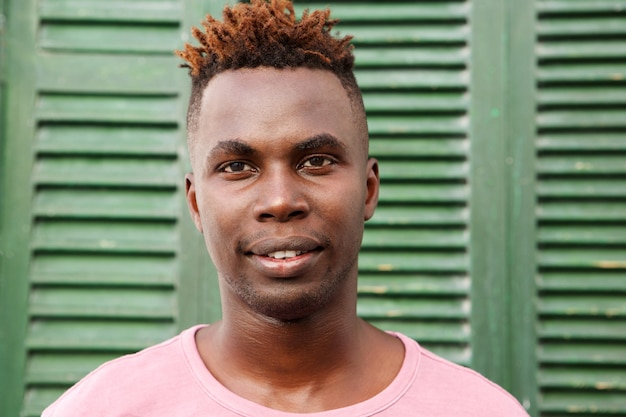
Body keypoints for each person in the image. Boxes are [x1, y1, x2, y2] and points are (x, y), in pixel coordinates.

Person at [43, 1, 530, 415]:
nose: (279, 200)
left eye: (316, 161)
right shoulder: (101, 407)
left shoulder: (480, 409)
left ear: (368, 189)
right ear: (195, 203)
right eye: (237, 167)